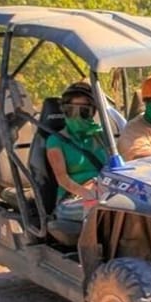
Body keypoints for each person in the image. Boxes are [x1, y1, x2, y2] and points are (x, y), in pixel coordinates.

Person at [46, 82, 107, 222]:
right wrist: (89, 194)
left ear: (93, 112)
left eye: (84, 112)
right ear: (64, 111)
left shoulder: (102, 136)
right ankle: (89, 245)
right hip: (72, 199)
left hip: (103, 192)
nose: (77, 117)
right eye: (70, 111)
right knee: (103, 208)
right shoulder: (55, 141)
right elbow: (62, 179)